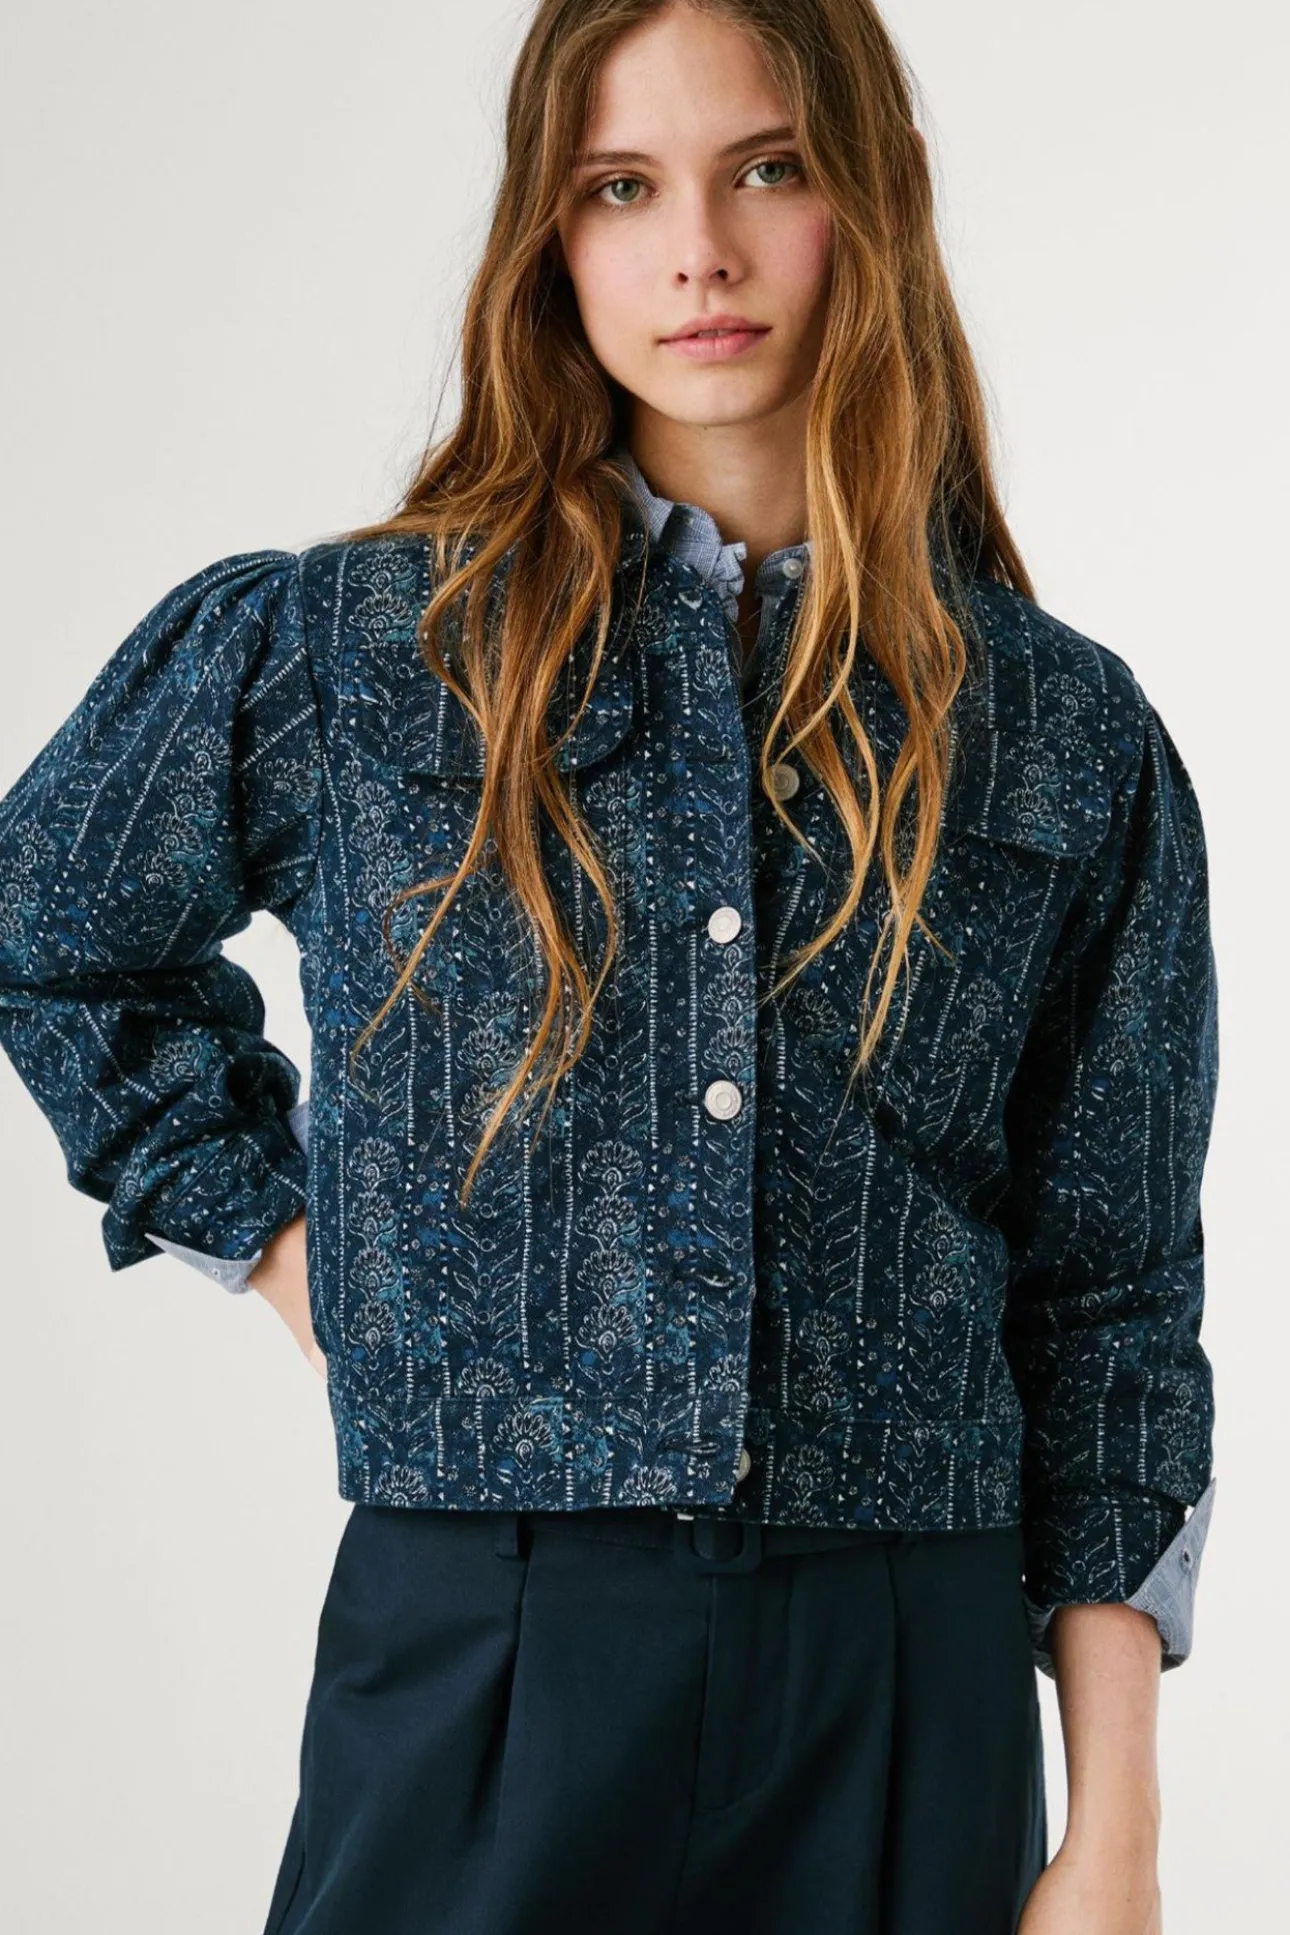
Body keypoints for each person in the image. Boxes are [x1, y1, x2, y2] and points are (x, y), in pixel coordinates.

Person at [0, 3, 1219, 1931]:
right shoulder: (352, 650)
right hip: (480, 1642)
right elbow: (47, 924)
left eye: (767, 169)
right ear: (548, 239)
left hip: (907, 1676)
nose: (698, 254)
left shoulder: (1059, 734)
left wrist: (1115, 1822)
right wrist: (294, 1242)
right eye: (621, 188)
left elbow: (1114, 1295)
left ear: (871, 197)